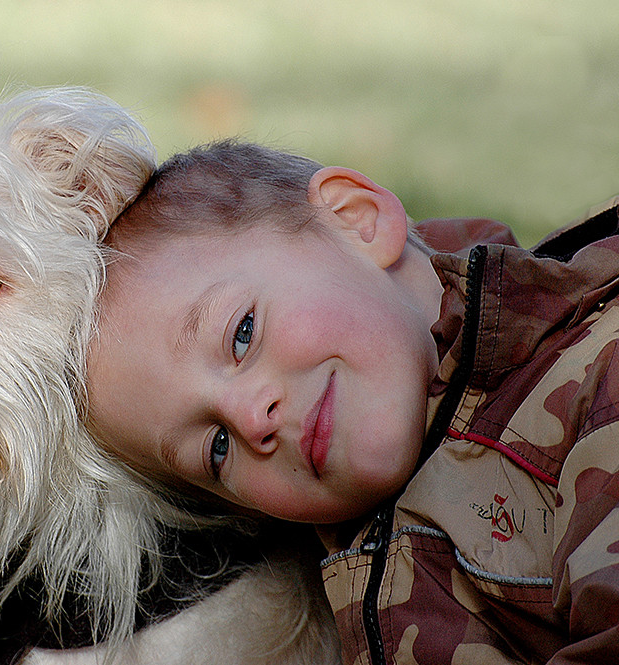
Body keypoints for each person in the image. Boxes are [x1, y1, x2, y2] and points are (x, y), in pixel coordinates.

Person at [86, 139, 619, 665]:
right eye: (217, 448)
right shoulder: (352, 552)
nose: (252, 419)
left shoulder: (597, 385)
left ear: (357, 219)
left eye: (242, 334)